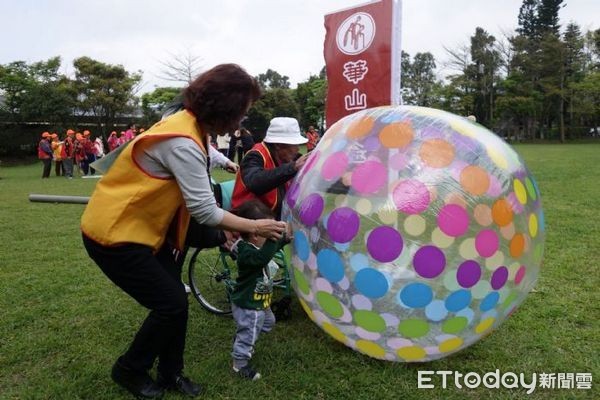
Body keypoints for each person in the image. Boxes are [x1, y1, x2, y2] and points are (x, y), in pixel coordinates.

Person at [80, 64, 286, 399]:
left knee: (175, 302)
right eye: (242, 113)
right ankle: (129, 369)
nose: (242, 121)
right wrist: (254, 226)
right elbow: (204, 209)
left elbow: (195, 211)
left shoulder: (193, 130)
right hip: (114, 234)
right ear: (225, 109)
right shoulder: (183, 140)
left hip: (152, 230)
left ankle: (170, 374)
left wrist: (223, 234)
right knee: (171, 303)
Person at [229, 200, 290, 381]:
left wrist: (282, 241)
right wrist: (274, 239)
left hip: (260, 302)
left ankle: (244, 337)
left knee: (268, 323)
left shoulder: (258, 246)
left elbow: (268, 252)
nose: (274, 236)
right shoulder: (246, 252)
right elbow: (261, 258)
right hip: (248, 304)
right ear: (256, 235)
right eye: (270, 232)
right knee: (251, 330)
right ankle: (239, 365)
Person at [231, 117, 309, 219]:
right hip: (248, 219)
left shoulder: (284, 156)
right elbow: (255, 182)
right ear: (278, 145)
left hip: (272, 216)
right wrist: (293, 167)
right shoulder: (255, 156)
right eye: (294, 145)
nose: (298, 149)